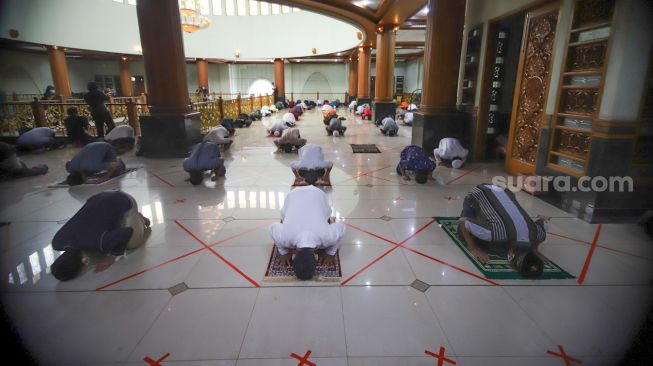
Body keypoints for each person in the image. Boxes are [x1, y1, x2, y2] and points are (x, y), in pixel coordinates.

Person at [50, 190, 151, 281]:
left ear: (84, 262)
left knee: (132, 244)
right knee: (100, 246)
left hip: (123, 199)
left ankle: (140, 219)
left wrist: (112, 257)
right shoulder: (56, 243)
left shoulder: (100, 242)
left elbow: (127, 232)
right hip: (99, 196)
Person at [458, 184, 548, 278]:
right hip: (478, 192)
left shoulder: (538, 234)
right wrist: (474, 249)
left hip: (505, 191)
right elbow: (463, 222)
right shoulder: (497, 233)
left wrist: (535, 250)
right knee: (463, 234)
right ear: (510, 253)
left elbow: (543, 221)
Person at [268, 184, 346, 280]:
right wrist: (283, 252)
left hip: (310, 194)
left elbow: (342, 228)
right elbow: (272, 228)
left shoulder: (327, 237)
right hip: (301, 194)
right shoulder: (284, 238)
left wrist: (331, 252)